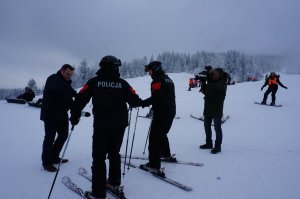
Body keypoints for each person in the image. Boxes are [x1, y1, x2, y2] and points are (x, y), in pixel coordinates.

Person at [70, 55, 141, 199]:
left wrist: (75, 115)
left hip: (101, 126)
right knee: (114, 154)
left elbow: (80, 99)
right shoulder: (123, 83)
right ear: (114, 67)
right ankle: (114, 182)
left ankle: (99, 192)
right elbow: (134, 101)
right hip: (119, 126)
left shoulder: (94, 82)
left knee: (99, 158)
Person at [139, 61, 176, 172]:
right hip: (170, 111)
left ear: (155, 69)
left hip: (161, 113)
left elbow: (156, 98)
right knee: (162, 134)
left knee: (154, 138)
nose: (149, 73)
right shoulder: (168, 78)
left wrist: (142, 103)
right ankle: (165, 154)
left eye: (150, 71)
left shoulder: (157, 81)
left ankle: (154, 165)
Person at [40, 64, 76, 172]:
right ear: (62, 71)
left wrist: (78, 98)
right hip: (50, 114)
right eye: (67, 74)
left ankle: (54, 157)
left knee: (63, 135)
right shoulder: (53, 79)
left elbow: (69, 95)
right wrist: (71, 91)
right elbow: (59, 88)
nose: (69, 76)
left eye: (71, 75)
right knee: (49, 138)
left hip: (62, 114)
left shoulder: (66, 83)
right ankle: (46, 162)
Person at [199, 68, 227, 154]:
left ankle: (217, 146)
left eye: (214, 75)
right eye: (212, 75)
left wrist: (207, 81)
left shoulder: (222, 83)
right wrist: (203, 83)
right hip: (208, 108)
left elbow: (212, 90)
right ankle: (208, 143)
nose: (212, 76)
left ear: (219, 75)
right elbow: (206, 92)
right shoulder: (212, 83)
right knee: (206, 126)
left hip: (217, 108)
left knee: (217, 128)